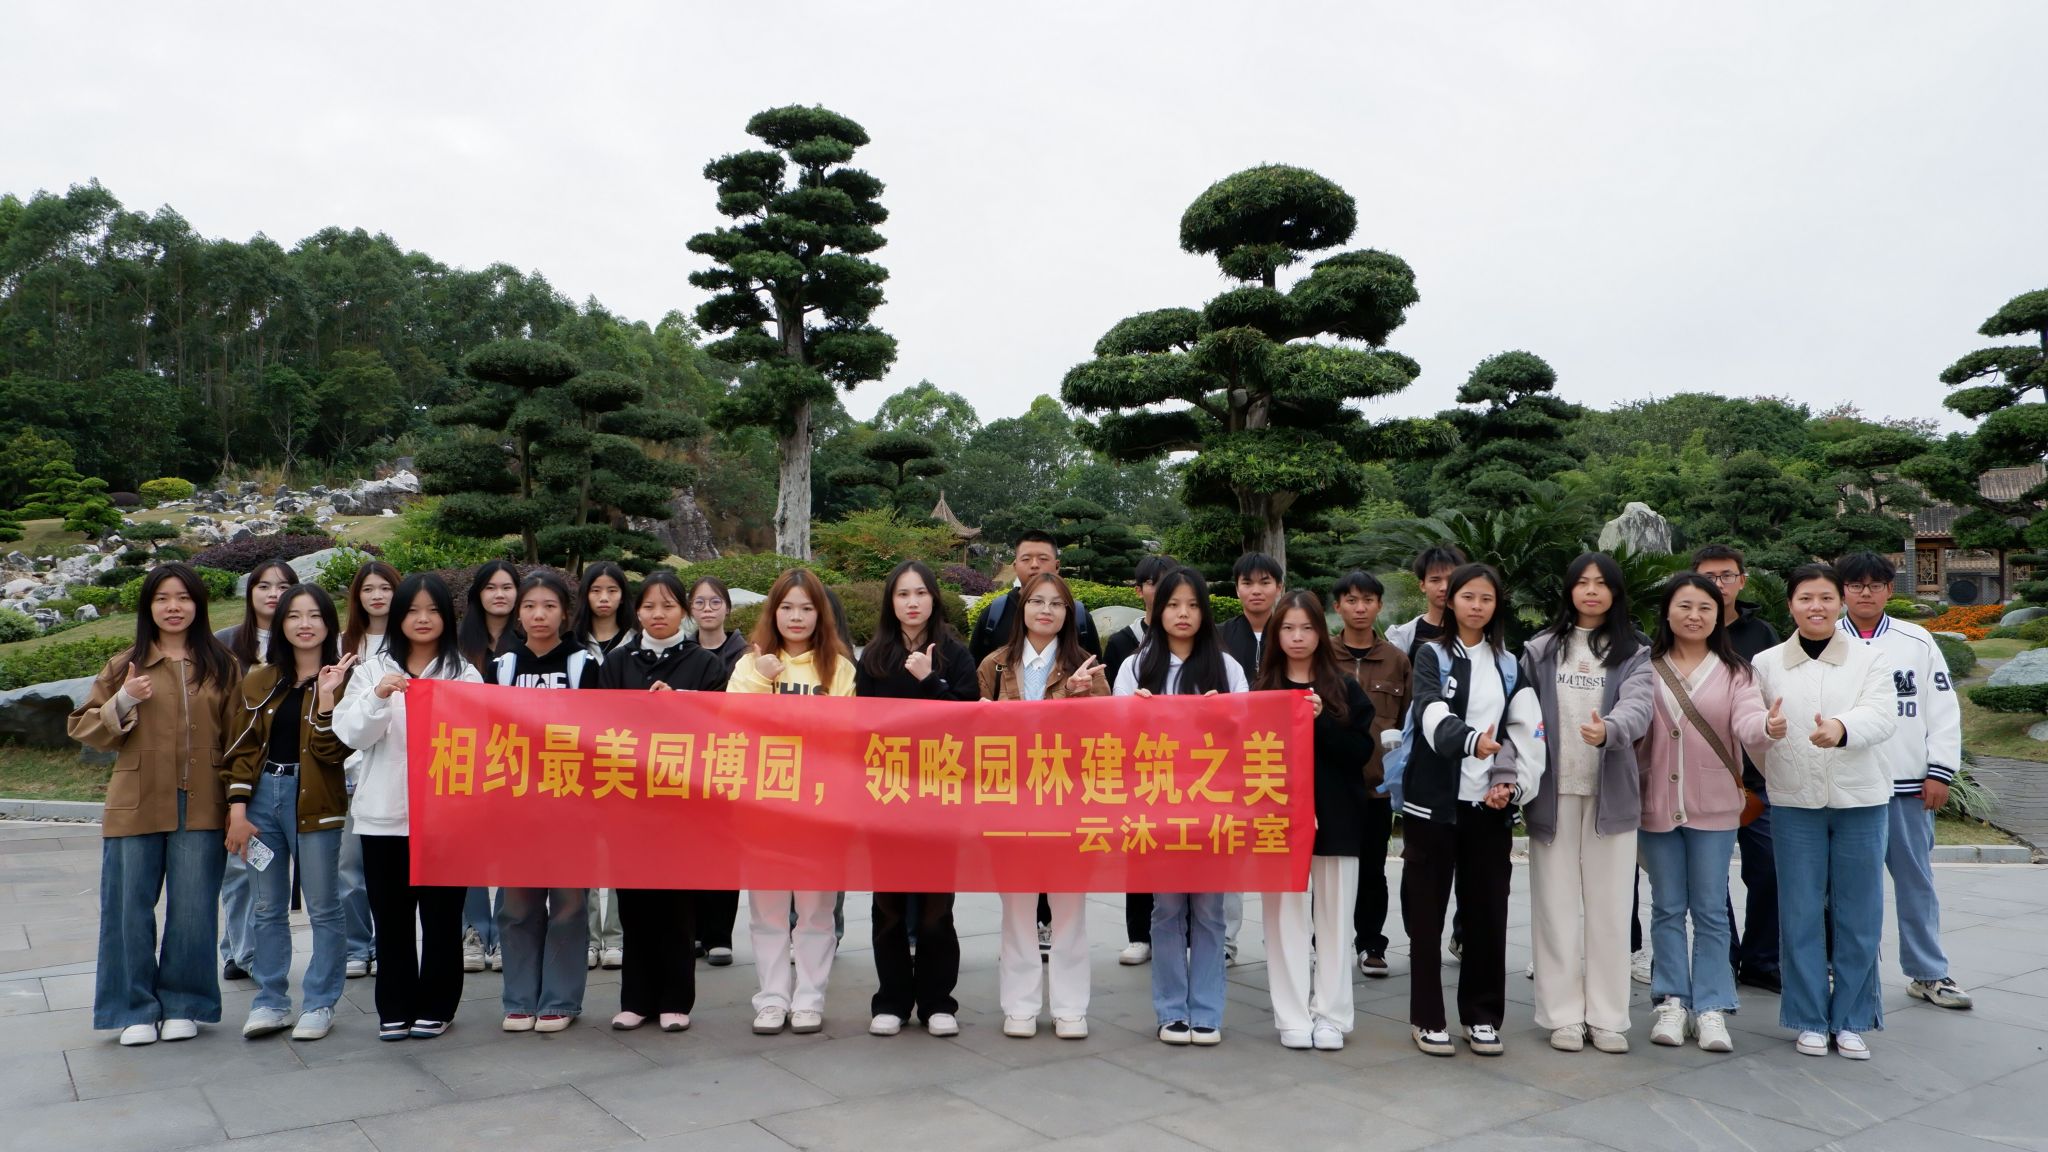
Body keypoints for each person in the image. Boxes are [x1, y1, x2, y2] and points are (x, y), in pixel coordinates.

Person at [70, 564, 240, 1047]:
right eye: (162, 598)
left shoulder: (222, 664)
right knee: (128, 908)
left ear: (198, 604)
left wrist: (238, 804)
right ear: (148, 607)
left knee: (194, 910)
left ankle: (185, 1003)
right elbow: (84, 727)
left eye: (183, 597)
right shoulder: (126, 664)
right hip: (136, 802)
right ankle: (133, 1008)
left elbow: (240, 740)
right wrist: (123, 699)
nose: (173, 607)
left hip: (203, 803)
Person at [1383, 562, 1543, 1057]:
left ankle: (1482, 1016)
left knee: (1487, 914)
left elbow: (1527, 732)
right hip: (1432, 804)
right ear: (1450, 600)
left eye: (1486, 598)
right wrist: (1472, 741)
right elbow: (1430, 712)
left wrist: (1511, 786)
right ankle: (1427, 1018)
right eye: (1468, 596)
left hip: (1488, 808)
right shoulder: (1430, 654)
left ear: (1497, 606)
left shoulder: (1509, 664)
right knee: (1426, 915)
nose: (1477, 606)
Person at [1751, 563, 1898, 1060]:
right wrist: (1771, 739)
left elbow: (1883, 715)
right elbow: (1754, 729)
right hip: (1795, 802)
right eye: (1805, 598)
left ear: (1840, 603)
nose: (1816, 607)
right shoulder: (1766, 663)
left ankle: (1852, 1019)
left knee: (1859, 913)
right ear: (1790, 605)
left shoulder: (1870, 658)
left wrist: (1841, 726)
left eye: (1826, 598)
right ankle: (1808, 1017)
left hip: (1861, 800)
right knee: (1800, 912)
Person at [334, 572, 482, 1041]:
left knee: (442, 919)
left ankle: (438, 1005)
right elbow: (351, 734)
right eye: (413, 610)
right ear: (398, 616)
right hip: (384, 817)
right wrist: (379, 696)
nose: (423, 619)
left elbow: (480, 741)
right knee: (392, 917)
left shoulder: (464, 674)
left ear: (447, 618)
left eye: (433, 610)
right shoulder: (371, 671)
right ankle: (394, 1007)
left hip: (445, 821)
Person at [1637, 573, 1781, 1054]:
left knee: (1712, 909)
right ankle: (1672, 1000)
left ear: (1719, 616)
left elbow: (1747, 722)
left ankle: (1713, 1005)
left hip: (1716, 805)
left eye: (1705, 607)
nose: (1695, 615)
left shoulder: (1737, 672)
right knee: (1666, 906)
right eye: (1685, 606)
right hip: (1656, 803)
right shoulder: (1645, 667)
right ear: (1667, 611)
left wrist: (1766, 726)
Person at [1521, 553, 1653, 1054]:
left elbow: (1639, 707)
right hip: (1552, 795)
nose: (1592, 591)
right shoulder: (1539, 650)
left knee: (1611, 909)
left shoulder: (1634, 651)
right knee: (1554, 908)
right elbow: (1521, 718)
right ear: (1569, 590)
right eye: (1582, 582)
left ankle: (1607, 1017)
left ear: (1616, 592)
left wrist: (1609, 729)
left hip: (1610, 796)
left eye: (1602, 583)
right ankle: (1561, 1016)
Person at [1114, 566, 1249, 1047]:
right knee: (1167, 909)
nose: (1183, 614)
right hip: (1158, 808)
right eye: (1173, 604)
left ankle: (1207, 1012)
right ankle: (1171, 1010)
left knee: (1210, 910)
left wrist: (1224, 718)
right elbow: (1114, 740)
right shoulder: (1135, 668)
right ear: (1158, 610)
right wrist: (1135, 715)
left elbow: (1250, 736)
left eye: (1193, 605)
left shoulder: (1227, 669)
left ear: (1205, 612)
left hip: (1212, 809)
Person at [977, 570, 1110, 1040]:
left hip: (1068, 802)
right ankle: (1020, 1005)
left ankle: (1071, 1007)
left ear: (1069, 614)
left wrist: (1080, 697)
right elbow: (975, 733)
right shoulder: (995, 664)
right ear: (1023, 608)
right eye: (1037, 601)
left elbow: (1105, 738)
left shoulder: (1086, 666)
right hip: (1011, 802)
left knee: (1069, 908)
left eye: (1057, 603)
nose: (1046, 610)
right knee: (1017, 908)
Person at [1836, 552, 1971, 1010]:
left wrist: (1940, 772)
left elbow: (1942, 709)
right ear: (1843, 590)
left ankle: (1928, 972)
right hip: (1848, 786)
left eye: (1875, 585)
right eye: (1856, 585)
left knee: (1916, 883)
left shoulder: (1917, 640)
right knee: (1847, 887)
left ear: (1890, 590)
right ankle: (1848, 970)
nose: (1866, 593)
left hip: (1908, 786)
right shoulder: (1827, 639)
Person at [220, 584, 356, 1041]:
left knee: (324, 906)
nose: (305, 624)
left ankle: (319, 1003)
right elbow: (241, 751)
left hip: (316, 800)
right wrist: (237, 809)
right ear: (281, 625)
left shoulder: (346, 680)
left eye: (314, 615)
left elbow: (332, 752)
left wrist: (328, 697)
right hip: (262, 799)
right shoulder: (259, 680)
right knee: (266, 906)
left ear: (329, 624)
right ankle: (271, 1000)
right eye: (294, 616)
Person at [598, 570, 731, 1032]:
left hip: (682, 804)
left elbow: (722, 728)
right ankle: (636, 998)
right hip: (629, 802)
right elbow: (598, 727)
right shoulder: (617, 664)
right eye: (650, 606)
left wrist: (680, 706)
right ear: (637, 611)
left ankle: (676, 999)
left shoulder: (705, 664)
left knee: (677, 907)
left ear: (684, 612)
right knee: (634, 905)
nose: (659, 614)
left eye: (669, 606)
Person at [726, 567, 856, 1035]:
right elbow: (735, 727)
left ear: (821, 614)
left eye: (806, 608)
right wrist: (762, 681)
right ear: (773, 612)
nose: (796, 617)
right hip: (764, 806)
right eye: (787, 607)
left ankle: (809, 998)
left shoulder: (838, 667)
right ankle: (772, 998)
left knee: (817, 912)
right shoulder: (750, 663)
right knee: (767, 912)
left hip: (819, 807)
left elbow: (843, 736)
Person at [858, 560, 978, 1039]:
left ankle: (937, 1002)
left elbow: (968, 723)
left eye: (921, 593)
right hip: (887, 797)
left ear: (934, 599)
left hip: (940, 797)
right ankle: (891, 1000)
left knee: (935, 907)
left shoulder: (956, 655)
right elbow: (859, 729)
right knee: (888, 907)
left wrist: (931, 680)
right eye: (903, 594)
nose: (912, 602)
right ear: (891, 602)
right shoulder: (874, 657)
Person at [1256, 590, 1374, 1051]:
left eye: (1307, 628)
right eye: (1288, 628)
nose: (1297, 637)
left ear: (1321, 633)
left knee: (1335, 921)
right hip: (1278, 823)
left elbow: (1360, 753)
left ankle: (1331, 1015)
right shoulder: (1262, 690)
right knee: (1284, 921)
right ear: (1276, 635)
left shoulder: (1344, 688)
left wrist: (1323, 720)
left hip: (1337, 819)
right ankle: (1291, 1015)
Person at [488, 569, 600, 1033]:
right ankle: (519, 999)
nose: (539, 614)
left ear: (565, 613)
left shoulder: (583, 665)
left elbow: (600, 734)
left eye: (549, 606)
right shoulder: (501, 667)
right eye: (530, 606)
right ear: (518, 613)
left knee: (569, 904)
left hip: (571, 805)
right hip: (516, 807)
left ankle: (560, 1000)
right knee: (516, 905)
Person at [1691, 544, 1782, 993]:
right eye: (1709, 576)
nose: (1719, 584)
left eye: (1727, 575)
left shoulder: (1763, 635)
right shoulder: (1684, 633)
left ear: (1742, 580)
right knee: (1708, 879)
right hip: (1700, 780)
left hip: (1755, 781)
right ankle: (1721, 958)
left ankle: (1762, 960)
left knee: (1769, 870)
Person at [214, 560, 297, 984]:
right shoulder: (226, 643)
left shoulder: (302, 640)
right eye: (263, 586)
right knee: (239, 865)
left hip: (288, 771)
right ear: (250, 593)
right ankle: (239, 951)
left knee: (268, 868)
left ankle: (248, 950)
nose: (273, 594)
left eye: (283, 586)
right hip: (237, 765)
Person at [1332, 570, 1410, 979]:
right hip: (1331, 785)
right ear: (1337, 606)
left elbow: (1409, 723)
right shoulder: (1323, 656)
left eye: (1367, 600)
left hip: (1378, 787)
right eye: (1351, 600)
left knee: (1373, 869)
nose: (1359, 608)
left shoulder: (1397, 660)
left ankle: (1371, 945)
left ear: (1379, 605)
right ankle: (1325, 944)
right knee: (1328, 869)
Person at [1103, 554, 1177, 966]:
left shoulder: (1199, 640)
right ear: (1140, 590)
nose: (1161, 589)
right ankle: (1139, 934)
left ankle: (1180, 932)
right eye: (1154, 582)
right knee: (1140, 844)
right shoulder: (1122, 643)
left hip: (1186, 766)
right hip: (1139, 762)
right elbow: (1114, 705)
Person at [457, 558, 520, 965]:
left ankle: (507, 931)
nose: (500, 595)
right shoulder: (459, 644)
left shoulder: (529, 639)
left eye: (507, 587)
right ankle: (476, 932)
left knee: (513, 848)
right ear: (478, 594)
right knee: (471, 848)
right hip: (469, 757)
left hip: (518, 760)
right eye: (491, 587)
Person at [571, 561, 633, 971]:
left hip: (627, 759)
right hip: (580, 760)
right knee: (585, 852)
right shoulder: (573, 644)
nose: (604, 598)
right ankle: (588, 936)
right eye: (596, 590)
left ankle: (616, 936)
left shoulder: (637, 641)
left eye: (612, 590)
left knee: (622, 852)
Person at [340, 560, 400, 981]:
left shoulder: (408, 643)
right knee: (349, 867)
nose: (377, 596)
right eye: (368, 589)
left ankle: (388, 944)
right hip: (348, 768)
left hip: (392, 769)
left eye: (385, 588)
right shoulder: (343, 644)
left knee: (390, 874)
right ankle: (357, 946)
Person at [686, 574, 746, 965]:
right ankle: (692, 931)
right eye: (700, 602)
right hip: (687, 763)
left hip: (730, 760)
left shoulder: (746, 655)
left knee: (725, 847)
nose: (707, 609)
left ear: (727, 607)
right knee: (690, 848)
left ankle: (719, 935)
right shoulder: (681, 653)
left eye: (714, 602)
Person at [967, 530, 1102, 664]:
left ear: (1057, 566)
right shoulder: (995, 614)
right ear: (1015, 566)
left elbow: (1096, 670)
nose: (1034, 565)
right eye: (1026, 559)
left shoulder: (1077, 615)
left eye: (1043, 559)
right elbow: (975, 671)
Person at [1386, 545, 1466, 657]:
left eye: (1451, 579)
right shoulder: (1403, 637)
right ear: (1422, 586)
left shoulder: (1477, 631)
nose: (1444, 587)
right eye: (1435, 580)